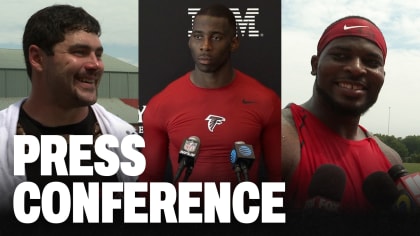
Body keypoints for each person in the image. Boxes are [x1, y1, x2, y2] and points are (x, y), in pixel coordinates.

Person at [0, 4, 139, 215]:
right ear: (37, 58)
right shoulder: (4, 141)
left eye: (98, 55)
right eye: (80, 52)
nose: (96, 65)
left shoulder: (124, 138)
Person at [139, 4, 281, 186]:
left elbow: (279, 178)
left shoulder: (265, 101)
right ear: (190, 41)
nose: (205, 46)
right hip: (181, 213)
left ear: (234, 43)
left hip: (246, 213)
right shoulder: (161, 104)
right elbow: (149, 181)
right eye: (198, 37)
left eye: (216, 37)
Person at [281, 16, 403, 213]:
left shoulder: (391, 160)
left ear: (382, 76)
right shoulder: (276, 139)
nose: (356, 69)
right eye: (340, 56)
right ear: (315, 65)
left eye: (372, 62)